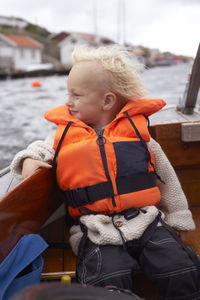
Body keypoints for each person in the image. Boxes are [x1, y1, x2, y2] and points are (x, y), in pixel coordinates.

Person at [11, 45, 200, 299]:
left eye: (76, 95)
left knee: (181, 269)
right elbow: (40, 148)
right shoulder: (65, 135)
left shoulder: (139, 137)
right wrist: (29, 159)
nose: (68, 102)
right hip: (96, 230)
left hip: (148, 221)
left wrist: (178, 217)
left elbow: (167, 180)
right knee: (106, 278)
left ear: (107, 101)